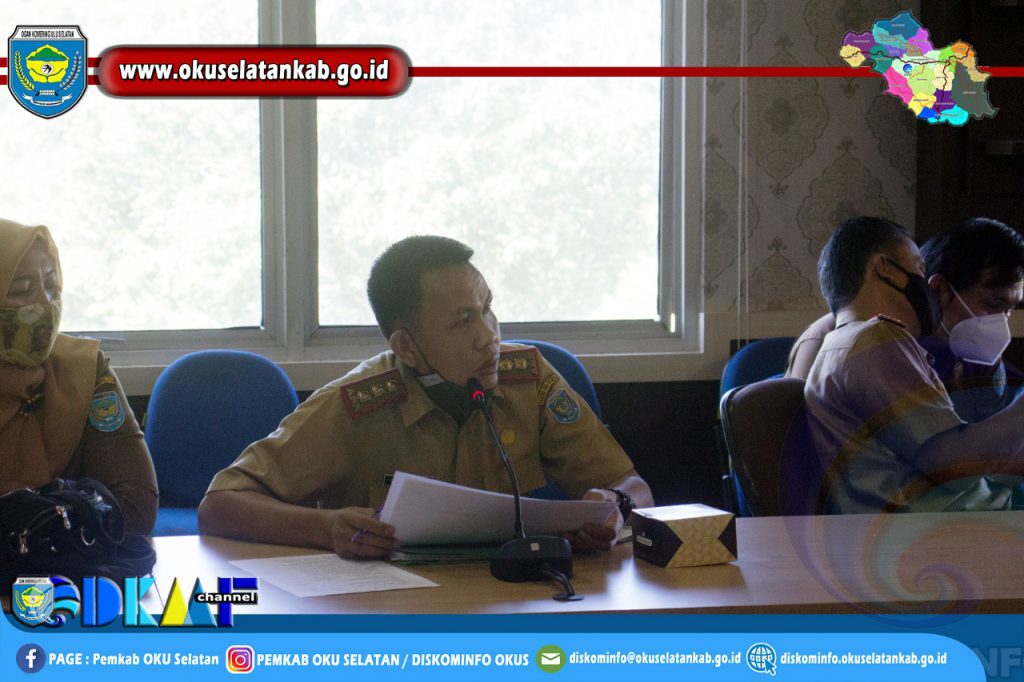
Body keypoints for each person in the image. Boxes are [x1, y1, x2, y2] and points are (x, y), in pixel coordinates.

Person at [199, 235, 653, 558]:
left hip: (513, 597)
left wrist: (616, 507)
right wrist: (326, 528)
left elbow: (633, 486)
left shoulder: (530, 381)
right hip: (394, 612)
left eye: (487, 309)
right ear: (407, 347)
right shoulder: (355, 404)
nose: (488, 336)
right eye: (463, 321)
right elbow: (220, 505)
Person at [805, 216, 1024, 514]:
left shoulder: (843, 343)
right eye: (920, 270)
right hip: (939, 529)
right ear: (885, 268)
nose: (926, 287)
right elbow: (953, 468)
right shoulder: (876, 338)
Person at [0, 219, 158, 534]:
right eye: (21, 290)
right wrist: (70, 506)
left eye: (51, 286)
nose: (45, 303)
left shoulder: (83, 368)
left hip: (68, 558)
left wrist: (40, 525)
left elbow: (137, 505)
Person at [787, 217, 1024, 423]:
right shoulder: (836, 339)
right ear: (940, 288)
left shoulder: (980, 356)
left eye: (1009, 310)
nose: (1000, 323)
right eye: (992, 305)